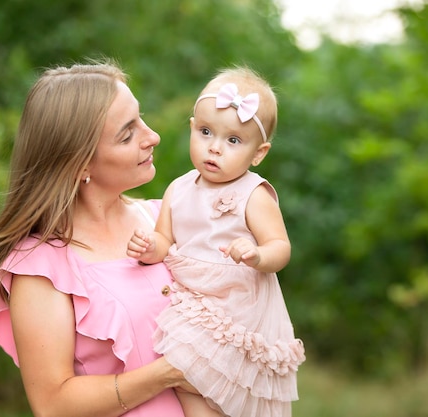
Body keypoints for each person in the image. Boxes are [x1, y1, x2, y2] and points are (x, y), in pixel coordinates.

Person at [0, 60, 195, 417]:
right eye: (127, 134)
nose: (152, 136)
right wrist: (166, 374)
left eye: (141, 119)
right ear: (80, 165)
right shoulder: (42, 265)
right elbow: (53, 404)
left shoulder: (166, 218)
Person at [127, 67, 306, 417]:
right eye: (206, 132)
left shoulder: (253, 194)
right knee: (187, 380)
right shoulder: (178, 188)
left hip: (239, 308)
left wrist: (256, 254)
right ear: (192, 127)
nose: (215, 148)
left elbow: (280, 247)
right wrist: (152, 248)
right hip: (196, 303)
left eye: (233, 141)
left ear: (259, 153)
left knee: (233, 392)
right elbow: (166, 238)